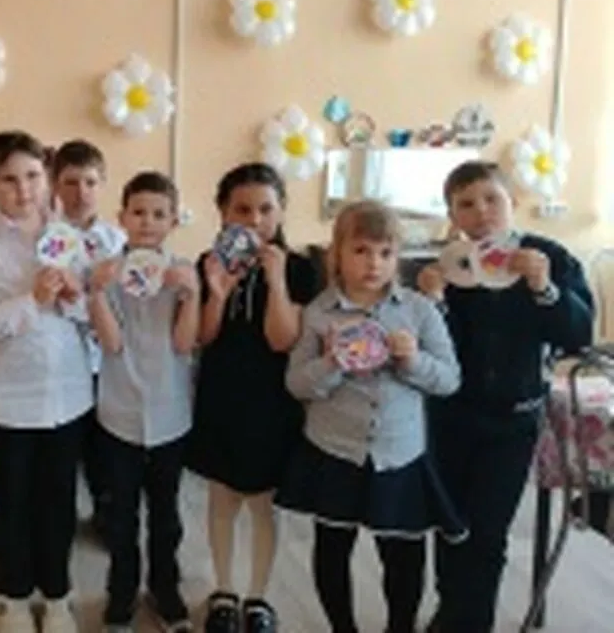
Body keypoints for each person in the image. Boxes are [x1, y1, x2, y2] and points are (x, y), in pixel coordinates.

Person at [416, 161, 594, 633]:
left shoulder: (548, 256)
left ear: (512, 201)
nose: (482, 212)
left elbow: (579, 334)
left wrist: (544, 288)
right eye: (466, 204)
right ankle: (450, 614)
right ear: (452, 215)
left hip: (513, 422)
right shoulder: (447, 267)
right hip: (451, 417)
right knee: (451, 525)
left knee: (488, 532)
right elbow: (434, 350)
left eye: (492, 199)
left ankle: (471, 624)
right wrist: (434, 302)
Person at [277, 199, 464, 633]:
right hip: (335, 451)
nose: (373, 263)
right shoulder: (319, 313)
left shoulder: (419, 310)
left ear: (398, 257)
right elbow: (296, 384)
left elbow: (450, 380)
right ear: (337, 254)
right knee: (332, 547)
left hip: (400, 454)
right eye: (361, 250)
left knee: (403, 555)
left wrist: (413, 361)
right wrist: (331, 363)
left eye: (385, 252)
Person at [0, 130, 92, 633]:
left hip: (68, 393)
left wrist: (76, 297)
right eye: (9, 180)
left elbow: (90, 317)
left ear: (47, 178)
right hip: (7, 397)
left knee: (59, 500)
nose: (23, 190)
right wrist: (31, 300)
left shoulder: (67, 237)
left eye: (33, 176)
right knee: (12, 501)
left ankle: (56, 596)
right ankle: (11, 598)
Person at [186, 163, 319, 633]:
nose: (255, 219)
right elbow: (202, 336)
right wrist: (218, 292)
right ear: (223, 212)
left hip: (273, 400)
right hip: (221, 393)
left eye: (266, 209)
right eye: (242, 209)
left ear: (281, 211)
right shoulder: (209, 262)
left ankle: (259, 596)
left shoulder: (299, 268)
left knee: (264, 502)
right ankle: (224, 590)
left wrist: (277, 280)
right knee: (222, 498)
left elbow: (283, 340)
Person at [87, 171, 199, 633]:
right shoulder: (108, 273)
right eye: (138, 212)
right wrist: (96, 291)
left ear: (173, 220)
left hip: (171, 414)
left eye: (158, 214)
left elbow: (184, 344)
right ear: (122, 217)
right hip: (119, 413)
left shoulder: (184, 271)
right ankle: (121, 594)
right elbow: (111, 344)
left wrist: (190, 295)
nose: (147, 222)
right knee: (121, 515)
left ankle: (165, 588)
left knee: (167, 514)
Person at [51, 139, 126, 544]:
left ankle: (107, 513)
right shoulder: (47, 239)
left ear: (103, 183)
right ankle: (57, 521)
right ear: (55, 185)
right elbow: (53, 303)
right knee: (63, 450)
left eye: (90, 182)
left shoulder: (117, 241)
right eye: (71, 182)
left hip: (107, 361)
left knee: (105, 449)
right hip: (61, 359)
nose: (81, 193)